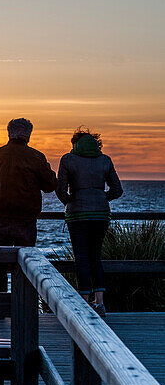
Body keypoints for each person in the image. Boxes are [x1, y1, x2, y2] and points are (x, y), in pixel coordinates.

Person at [0, 118, 57, 293]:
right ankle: (23, 306)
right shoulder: (35, 156)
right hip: (26, 220)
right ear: (28, 135)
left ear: (9, 133)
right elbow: (50, 185)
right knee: (27, 264)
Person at [56, 128, 123, 318]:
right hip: (101, 214)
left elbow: (60, 189)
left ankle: (84, 302)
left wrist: (70, 200)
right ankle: (100, 302)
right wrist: (102, 198)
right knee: (96, 256)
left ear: (75, 144)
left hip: (77, 215)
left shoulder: (68, 159)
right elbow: (117, 190)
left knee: (81, 257)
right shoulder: (105, 160)